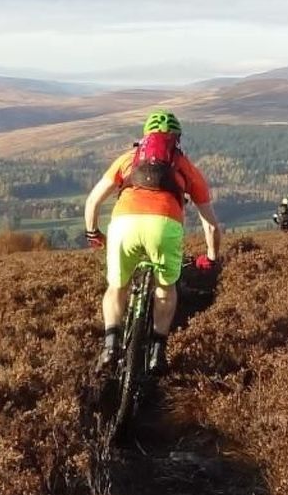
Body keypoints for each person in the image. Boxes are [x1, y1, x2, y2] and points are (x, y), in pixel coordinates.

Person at [83, 109, 220, 373]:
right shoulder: (185, 167)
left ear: (146, 136)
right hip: (164, 226)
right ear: (176, 140)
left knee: (117, 287)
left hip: (124, 224)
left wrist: (93, 232)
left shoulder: (126, 160)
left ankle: (111, 345)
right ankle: (158, 351)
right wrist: (212, 257)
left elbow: (93, 201)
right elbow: (211, 224)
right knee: (166, 289)